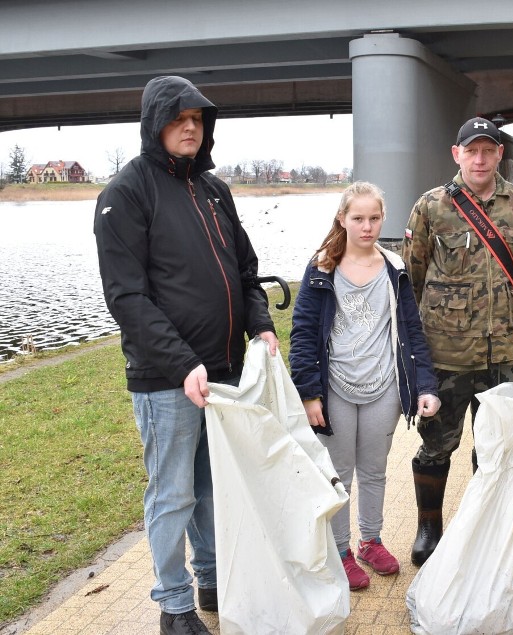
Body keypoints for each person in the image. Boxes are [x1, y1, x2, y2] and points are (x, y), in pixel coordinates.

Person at [93, 75, 279, 635]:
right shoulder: (125, 194)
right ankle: (174, 606)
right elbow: (127, 298)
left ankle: (212, 579)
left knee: (210, 488)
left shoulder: (214, 190)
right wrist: (182, 364)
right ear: (155, 123)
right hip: (166, 379)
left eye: (198, 118)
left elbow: (244, 272)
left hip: (220, 373)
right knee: (172, 493)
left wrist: (261, 325)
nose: (191, 126)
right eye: (179, 118)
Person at [289, 181, 441, 591]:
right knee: (338, 474)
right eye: (358, 218)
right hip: (335, 387)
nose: (367, 226)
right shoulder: (321, 267)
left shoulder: (394, 268)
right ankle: (339, 551)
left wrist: (425, 385)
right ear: (343, 219)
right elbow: (303, 332)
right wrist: (308, 392)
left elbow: (411, 329)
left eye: (374, 218)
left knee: (374, 471)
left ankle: (370, 541)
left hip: (384, 388)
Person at [402, 117, 513, 565]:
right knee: (438, 442)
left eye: (488, 150)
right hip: (447, 354)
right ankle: (429, 529)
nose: (480, 158)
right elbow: (415, 277)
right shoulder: (432, 207)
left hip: (504, 352)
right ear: (456, 154)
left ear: (500, 154)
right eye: (471, 150)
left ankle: (492, 525)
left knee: (497, 446)